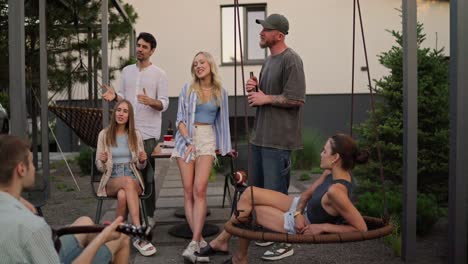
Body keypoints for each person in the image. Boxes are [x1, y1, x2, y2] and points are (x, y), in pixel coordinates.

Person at [198, 133, 369, 264]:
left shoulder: (336, 191)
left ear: (336, 158)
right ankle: (227, 247)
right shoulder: (332, 172)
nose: (321, 153)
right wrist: (298, 212)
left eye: (324, 151)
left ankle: (236, 256)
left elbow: (361, 229)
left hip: (302, 225)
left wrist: (322, 227)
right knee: (249, 193)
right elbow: (307, 195)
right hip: (299, 210)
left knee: (249, 211)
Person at [0, 134, 130, 263]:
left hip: (40, 249)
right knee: (122, 237)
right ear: (21, 169)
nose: (34, 168)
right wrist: (101, 238)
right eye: (31, 162)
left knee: (85, 222)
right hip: (47, 255)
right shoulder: (33, 227)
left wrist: (19, 199)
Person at [244, 13, 306, 259]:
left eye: (266, 29)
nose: (261, 32)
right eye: (262, 28)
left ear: (279, 35)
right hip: (260, 138)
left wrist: (266, 97)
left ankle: (285, 242)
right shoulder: (268, 61)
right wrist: (257, 91)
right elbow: (266, 98)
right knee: (259, 193)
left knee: (277, 195)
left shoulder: (292, 60)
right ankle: (271, 233)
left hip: (278, 141)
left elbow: (296, 99)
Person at [102, 32, 169, 226]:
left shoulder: (160, 74)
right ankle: (131, 214)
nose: (139, 49)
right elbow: (123, 97)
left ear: (152, 50)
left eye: (144, 47)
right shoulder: (127, 71)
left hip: (147, 133)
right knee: (128, 173)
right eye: (138, 45)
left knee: (146, 175)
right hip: (127, 130)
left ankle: (149, 215)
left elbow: (164, 104)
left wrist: (151, 101)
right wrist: (115, 96)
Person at [171, 51, 232, 263]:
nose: (198, 66)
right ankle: (199, 241)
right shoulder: (187, 89)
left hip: (207, 138)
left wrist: (226, 146)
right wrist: (188, 140)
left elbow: (222, 122)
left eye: (202, 62)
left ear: (210, 64)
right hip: (186, 139)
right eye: (195, 63)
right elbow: (179, 119)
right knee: (188, 191)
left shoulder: (220, 92)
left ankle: (194, 243)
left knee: (200, 189)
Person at [95, 99, 156, 256]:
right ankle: (138, 232)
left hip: (132, 175)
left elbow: (141, 166)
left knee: (124, 195)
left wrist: (142, 160)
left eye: (125, 111)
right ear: (114, 112)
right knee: (124, 187)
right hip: (112, 178)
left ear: (130, 116)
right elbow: (100, 167)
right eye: (119, 110)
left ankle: (118, 235)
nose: (121, 114)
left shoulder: (135, 135)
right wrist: (101, 161)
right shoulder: (104, 134)